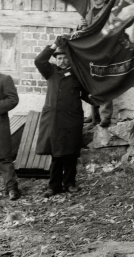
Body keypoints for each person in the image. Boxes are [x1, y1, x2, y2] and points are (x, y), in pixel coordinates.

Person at [35, 40, 88, 197]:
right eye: (58, 58)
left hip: (72, 120)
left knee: (70, 154)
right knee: (56, 154)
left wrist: (97, 99)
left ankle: (70, 183)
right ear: (55, 59)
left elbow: (86, 94)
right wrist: (52, 46)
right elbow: (39, 60)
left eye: (65, 58)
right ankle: (54, 185)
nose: (62, 61)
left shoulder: (78, 74)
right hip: (55, 120)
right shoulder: (50, 72)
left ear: (69, 59)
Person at [82, 0, 115, 127]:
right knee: (91, 82)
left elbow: (111, 30)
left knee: (103, 82)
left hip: (103, 51)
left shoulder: (109, 12)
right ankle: (93, 113)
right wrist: (82, 26)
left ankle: (105, 115)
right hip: (90, 51)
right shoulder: (90, 12)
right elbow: (86, 32)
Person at [0, 70, 19, 200]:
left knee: (5, 157)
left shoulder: (5, 79)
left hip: (0, 124)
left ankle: (11, 188)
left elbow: (13, 99)